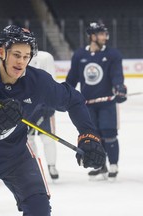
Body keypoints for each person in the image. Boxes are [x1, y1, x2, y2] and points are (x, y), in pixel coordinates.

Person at [0, 25, 106, 216]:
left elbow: (74, 100)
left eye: (26, 56)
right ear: (2, 52)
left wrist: (88, 135)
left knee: (39, 210)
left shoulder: (37, 82)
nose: (21, 62)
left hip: (15, 157)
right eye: (16, 54)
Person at [66, 22, 127, 180]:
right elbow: (72, 78)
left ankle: (113, 164)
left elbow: (116, 75)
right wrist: (65, 93)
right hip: (87, 105)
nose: (104, 37)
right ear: (92, 36)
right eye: (100, 34)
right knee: (93, 136)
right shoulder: (80, 55)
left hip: (106, 102)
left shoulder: (113, 54)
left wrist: (119, 87)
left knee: (109, 133)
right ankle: (101, 165)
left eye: (104, 34)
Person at [28, 51, 59, 180]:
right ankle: (33, 167)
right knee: (28, 139)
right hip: (26, 106)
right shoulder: (14, 56)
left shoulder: (45, 57)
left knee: (48, 138)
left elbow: (52, 82)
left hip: (44, 104)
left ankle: (52, 165)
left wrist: (51, 102)